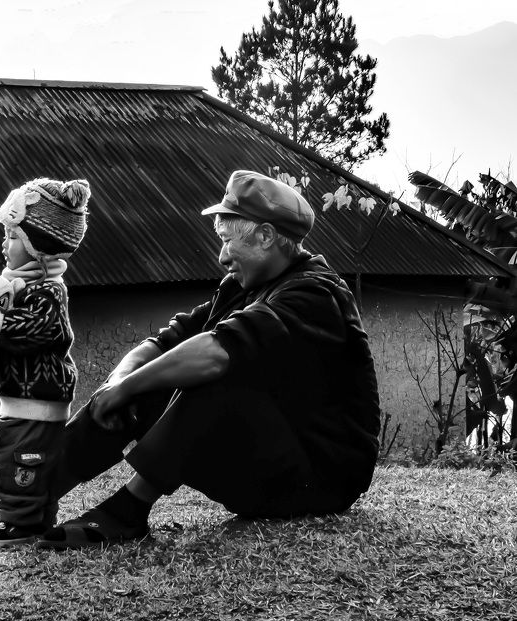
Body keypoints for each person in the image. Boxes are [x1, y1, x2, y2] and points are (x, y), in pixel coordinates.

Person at [38, 170, 381, 550]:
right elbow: (165, 342)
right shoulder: (242, 286)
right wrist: (118, 384)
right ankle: (29, 503)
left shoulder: (316, 293)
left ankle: (127, 512)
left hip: (321, 478)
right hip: (271, 461)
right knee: (151, 375)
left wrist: (129, 388)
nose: (221, 257)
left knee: (215, 371)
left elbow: (216, 352)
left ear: (266, 236)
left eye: (227, 241)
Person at [0, 178, 91, 548]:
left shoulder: (48, 291)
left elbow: (34, 331)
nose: (3, 244)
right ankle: (11, 511)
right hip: (19, 398)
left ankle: (21, 521)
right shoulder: (16, 286)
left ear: (37, 247)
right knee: (14, 457)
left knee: (21, 459)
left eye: (12, 237)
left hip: (39, 400)